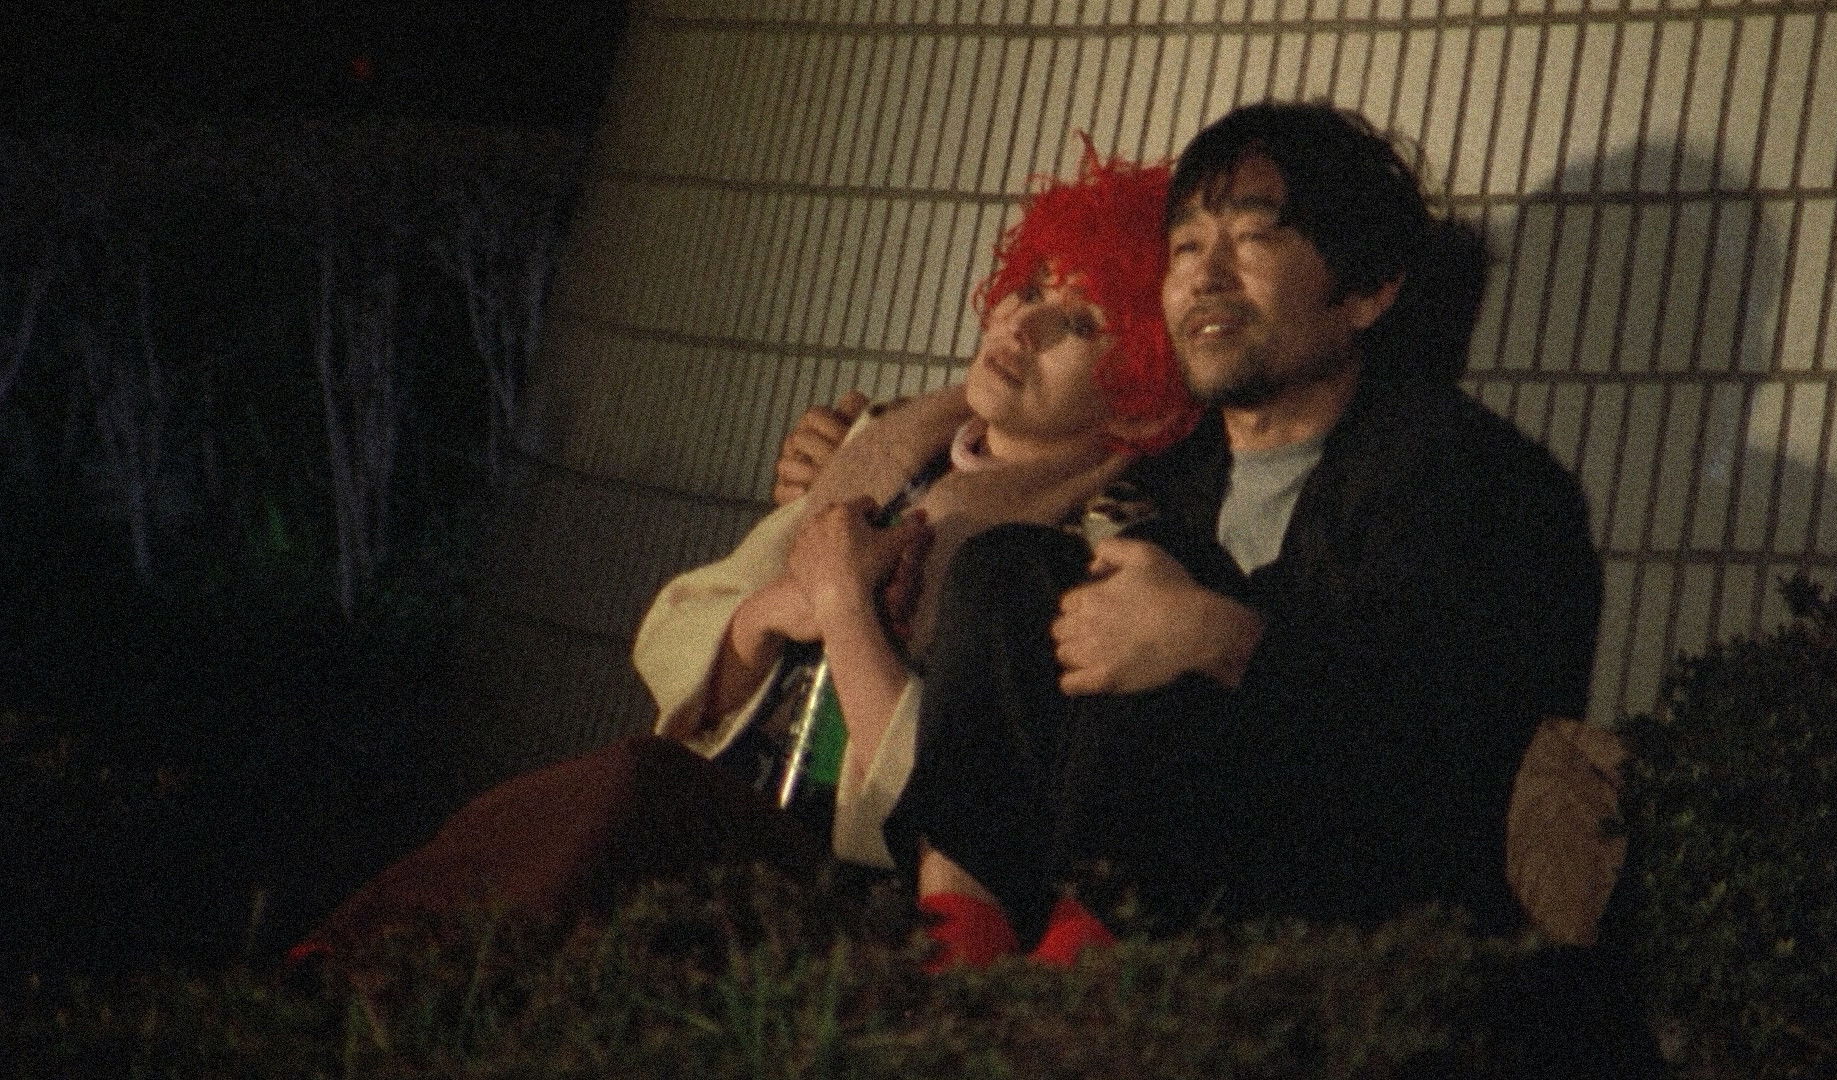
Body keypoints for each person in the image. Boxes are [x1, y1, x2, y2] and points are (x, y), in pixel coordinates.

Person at [296, 144, 1196, 955]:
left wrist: (844, 609)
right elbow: (682, 639)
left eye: (1082, 323)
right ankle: (342, 971)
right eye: (1032, 286)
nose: (1025, 326)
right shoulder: (889, 441)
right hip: (730, 800)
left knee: (623, 799)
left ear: (1139, 395)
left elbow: (968, 809)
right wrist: (771, 614)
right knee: (550, 817)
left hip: (860, 880)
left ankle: (338, 983)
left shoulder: (1089, 545)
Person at [879, 101, 1606, 961]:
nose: (1206, 276)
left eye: (1254, 238)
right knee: (1011, 569)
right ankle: (956, 952)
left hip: (1351, 907)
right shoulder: (1170, 479)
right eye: (1187, 246)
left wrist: (1220, 639)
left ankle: (1081, 979)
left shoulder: (1473, 482)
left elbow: (1445, 751)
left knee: (1161, 580)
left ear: (1367, 291)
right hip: (1130, 879)